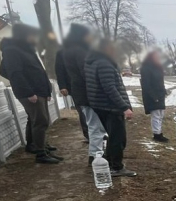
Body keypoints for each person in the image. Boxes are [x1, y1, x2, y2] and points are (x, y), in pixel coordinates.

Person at [0, 23, 62, 164]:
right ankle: (41, 154)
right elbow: (14, 73)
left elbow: (39, 71)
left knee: (35, 120)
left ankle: (35, 145)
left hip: (39, 91)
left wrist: (46, 90)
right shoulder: (11, 50)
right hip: (31, 93)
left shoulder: (26, 49)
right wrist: (28, 91)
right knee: (40, 121)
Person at [85, 39, 137, 177]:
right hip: (111, 107)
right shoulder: (104, 64)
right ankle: (116, 167)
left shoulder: (93, 62)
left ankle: (110, 162)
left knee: (113, 137)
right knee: (118, 139)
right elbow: (110, 88)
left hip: (101, 105)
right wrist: (124, 107)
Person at [62, 23, 107, 166]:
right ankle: (95, 156)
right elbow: (87, 74)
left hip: (81, 92)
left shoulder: (69, 50)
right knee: (95, 126)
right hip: (88, 94)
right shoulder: (80, 51)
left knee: (94, 125)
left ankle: (95, 154)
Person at [56, 41, 89, 142]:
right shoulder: (62, 52)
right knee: (83, 110)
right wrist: (62, 86)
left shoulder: (86, 49)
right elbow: (59, 70)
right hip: (75, 86)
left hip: (88, 84)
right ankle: (88, 134)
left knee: (91, 111)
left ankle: (96, 132)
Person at [140, 50, 169, 142]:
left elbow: (160, 81)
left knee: (160, 114)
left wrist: (164, 90)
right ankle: (157, 134)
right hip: (152, 95)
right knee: (156, 115)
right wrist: (153, 96)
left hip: (160, 94)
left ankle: (159, 132)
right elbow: (145, 85)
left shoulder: (158, 67)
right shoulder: (146, 68)